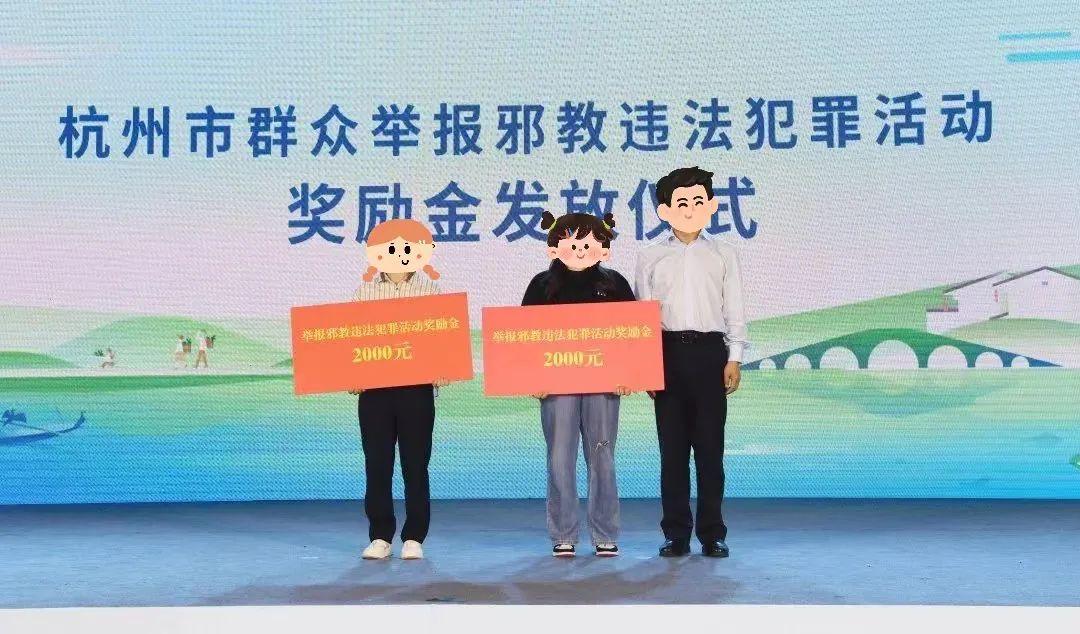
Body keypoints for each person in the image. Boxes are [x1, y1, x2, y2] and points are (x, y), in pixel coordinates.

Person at [634, 166, 748, 559]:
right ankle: (676, 533)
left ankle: (713, 533)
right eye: (681, 202)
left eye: (698, 200)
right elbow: (642, 315)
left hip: (711, 353)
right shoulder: (650, 255)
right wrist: (646, 365)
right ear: (664, 210)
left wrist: (735, 356)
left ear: (711, 205)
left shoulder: (724, 253)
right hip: (667, 354)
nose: (690, 208)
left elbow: (734, 308)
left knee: (710, 451)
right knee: (673, 452)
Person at [522, 211, 635, 558]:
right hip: (556, 384)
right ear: (553, 247)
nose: (580, 249)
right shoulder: (542, 286)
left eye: (589, 243)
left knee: (602, 456)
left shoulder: (614, 284)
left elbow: (634, 335)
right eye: (571, 243)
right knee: (560, 457)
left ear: (604, 247)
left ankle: (605, 532)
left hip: (604, 384)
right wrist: (533, 377)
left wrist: (630, 374)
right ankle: (563, 532)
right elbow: (524, 337)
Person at [352, 219, 449, 562]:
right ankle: (380, 535)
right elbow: (353, 340)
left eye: (406, 248)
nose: (399, 255)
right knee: (377, 464)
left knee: (415, 465)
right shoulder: (364, 292)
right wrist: (352, 374)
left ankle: (414, 536)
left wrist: (444, 368)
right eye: (390, 249)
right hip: (375, 392)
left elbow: (441, 339)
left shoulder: (431, 292)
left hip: (416, 391)